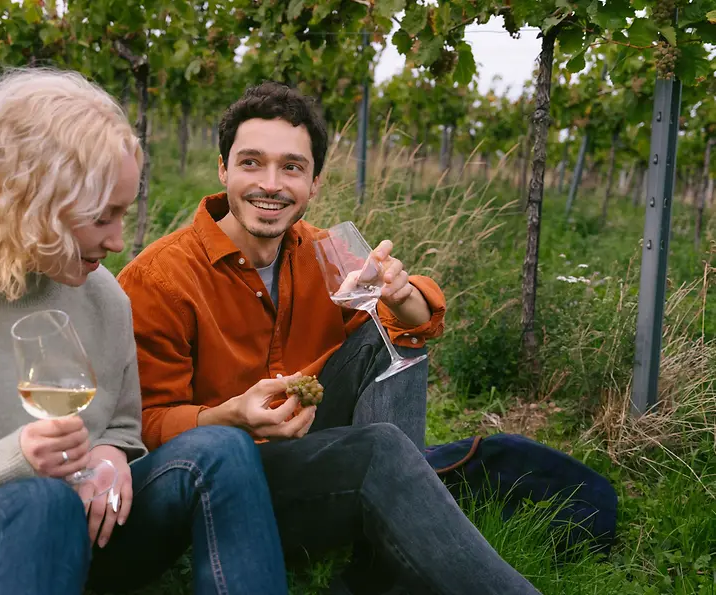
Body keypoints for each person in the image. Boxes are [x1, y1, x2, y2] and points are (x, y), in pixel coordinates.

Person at [0, 69, 288, 595]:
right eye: (101, 218)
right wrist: (10, 464)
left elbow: (121, 427)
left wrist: (112, 453)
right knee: (41, 502)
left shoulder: (103, 296)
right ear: (28, 200)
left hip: (79, 536)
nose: (118, 241)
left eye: (123, 214)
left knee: (223, 449)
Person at [119, 81, 542, 594]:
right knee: (381, 450)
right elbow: (144, 429)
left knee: (392, 342)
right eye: (252, 163)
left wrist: (400, 292)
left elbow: (416, 325)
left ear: (315, 182)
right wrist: (231, 416)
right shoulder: (160, 278)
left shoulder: (323, 251)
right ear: (223, 169)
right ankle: (399, 538)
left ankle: (385, 539)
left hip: (309, 455)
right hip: (228, 487)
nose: (270, 184)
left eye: (292, 167)